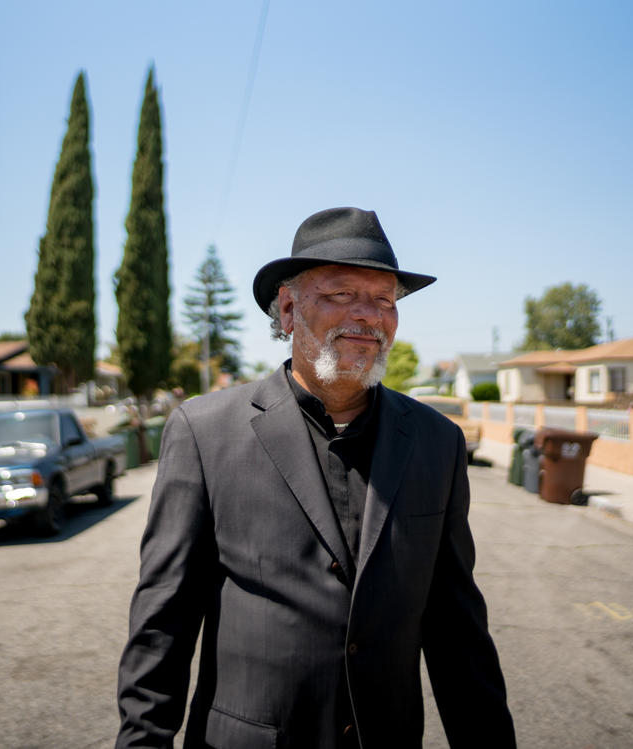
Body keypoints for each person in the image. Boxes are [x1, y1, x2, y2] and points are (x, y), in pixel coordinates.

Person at [116, 207, 516, 748]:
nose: (368, 316)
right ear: (287, 310)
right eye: (342, 295)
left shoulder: (436, 443)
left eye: (384, 300)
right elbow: (164, 619)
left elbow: (456, 629)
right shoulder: (204, 431)